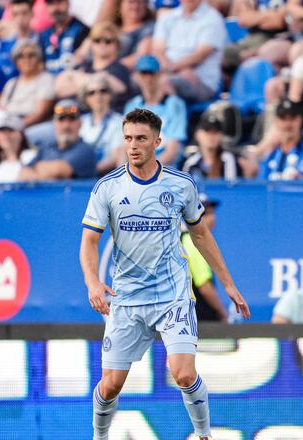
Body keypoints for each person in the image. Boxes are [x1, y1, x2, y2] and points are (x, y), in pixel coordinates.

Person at [80, 108, 250, 440]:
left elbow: (201, 235)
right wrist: (92, 282)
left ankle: (204, 434)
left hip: (173, 295)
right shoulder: (107, 188)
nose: (133, 146)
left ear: (157, 142)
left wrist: (229, 284)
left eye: (141, 138)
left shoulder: (181, 185)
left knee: (183, 374)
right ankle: (99, 436)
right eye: (128, 138)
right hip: (128, 298)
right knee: (111, 385)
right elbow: (89, 241)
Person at [152, 0, 226, 102]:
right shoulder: (167, 17)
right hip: (168, 73)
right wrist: (170, 70)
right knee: (139, 82)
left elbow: (200, 55)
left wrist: (172, 69)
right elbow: (158, 50)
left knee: (162, 83)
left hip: (201, 82)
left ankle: (171, 112)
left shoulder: (213, 18)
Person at [54, 21, 132, 112]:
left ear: (117, 44)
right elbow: (58, 89)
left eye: (108, 41)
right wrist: (101, 77)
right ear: (91, 43)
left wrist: (76, 78)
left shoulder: (120, 69)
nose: (102, 44)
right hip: (77, 116)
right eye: (97, 40)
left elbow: (120, 88)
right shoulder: (84, 66)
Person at [124, 55, 187, 165]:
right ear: (137, 76)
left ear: (159, 74)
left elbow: (172, 150)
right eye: (144, 74)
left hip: (166, 169)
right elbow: (126, 145)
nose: (148, 78)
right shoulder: (132, 105)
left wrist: (148, 168)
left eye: (151, 73)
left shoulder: (175, 104)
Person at [180, 194, 230, 322]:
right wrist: (222, 313)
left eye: (212, 212)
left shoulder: (187, 240)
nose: (212, 217)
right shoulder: (192, 242)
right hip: (201, 320)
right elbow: (204, 287)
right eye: (206, 214)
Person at [20, 99, 96, 180]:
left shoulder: (86, 150)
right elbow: (23, 173)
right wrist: (45, 174)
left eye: (72, 119)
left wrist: (37, 167)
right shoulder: (46, 148)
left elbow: (59, 171)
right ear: (54, 123)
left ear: (80, 123)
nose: (66, 126)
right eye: (61, 119)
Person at [258, 99, 303, 180]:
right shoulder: (270, 154)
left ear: (299, 120)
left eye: (292, 119)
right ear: (276, 121)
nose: (287, 124)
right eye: (283, 119)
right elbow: (262, 182)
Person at [0, 39, 54, 127]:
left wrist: (18, 126)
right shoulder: (11, 83)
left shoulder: (46, 79)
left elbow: (41, 113)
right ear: (16, 61)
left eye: (31, 55)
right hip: (9, 123)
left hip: (33, 125)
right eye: (21, 56)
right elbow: (2, 109)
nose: (26, 60)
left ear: (38, 59)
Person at [78, 75, 124, 174]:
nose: (98, 96)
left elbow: (117, 156)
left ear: (110, 95)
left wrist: (89, 171)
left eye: (103, 91)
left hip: (106, 175)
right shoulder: (80, 121)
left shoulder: (120, 122)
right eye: (91, 93)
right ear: (86, 98)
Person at [182, 114, 240, 181]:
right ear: (198, 134)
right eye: (207, 131)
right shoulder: (191, 163)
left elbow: (230, 185)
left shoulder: (228, 159)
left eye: (215, 131)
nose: (211, 136)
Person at [38, 0, 89, 74]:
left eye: (59, 2)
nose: (56, 8)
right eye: (51, 4)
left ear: (68, 3)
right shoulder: (44, 35)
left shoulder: (82, 30)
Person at [0, 0, 35, 84]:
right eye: (15, 14)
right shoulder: (3, 44)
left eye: (24, 13)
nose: (20, 18)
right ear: (11, 16)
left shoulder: (40, 40)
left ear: (32, 14)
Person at [0, 113, 33, 183]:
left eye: (10, 131)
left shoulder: (29, 156)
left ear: (21, 135)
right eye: (2, 131)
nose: (6, 135)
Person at [114, 0, 155, 70]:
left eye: (139, 2)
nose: (135, 6)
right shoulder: (112, 29)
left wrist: (112, 67)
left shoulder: (150, 28)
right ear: (120, 6)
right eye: (131, 2)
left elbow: (142, 56)